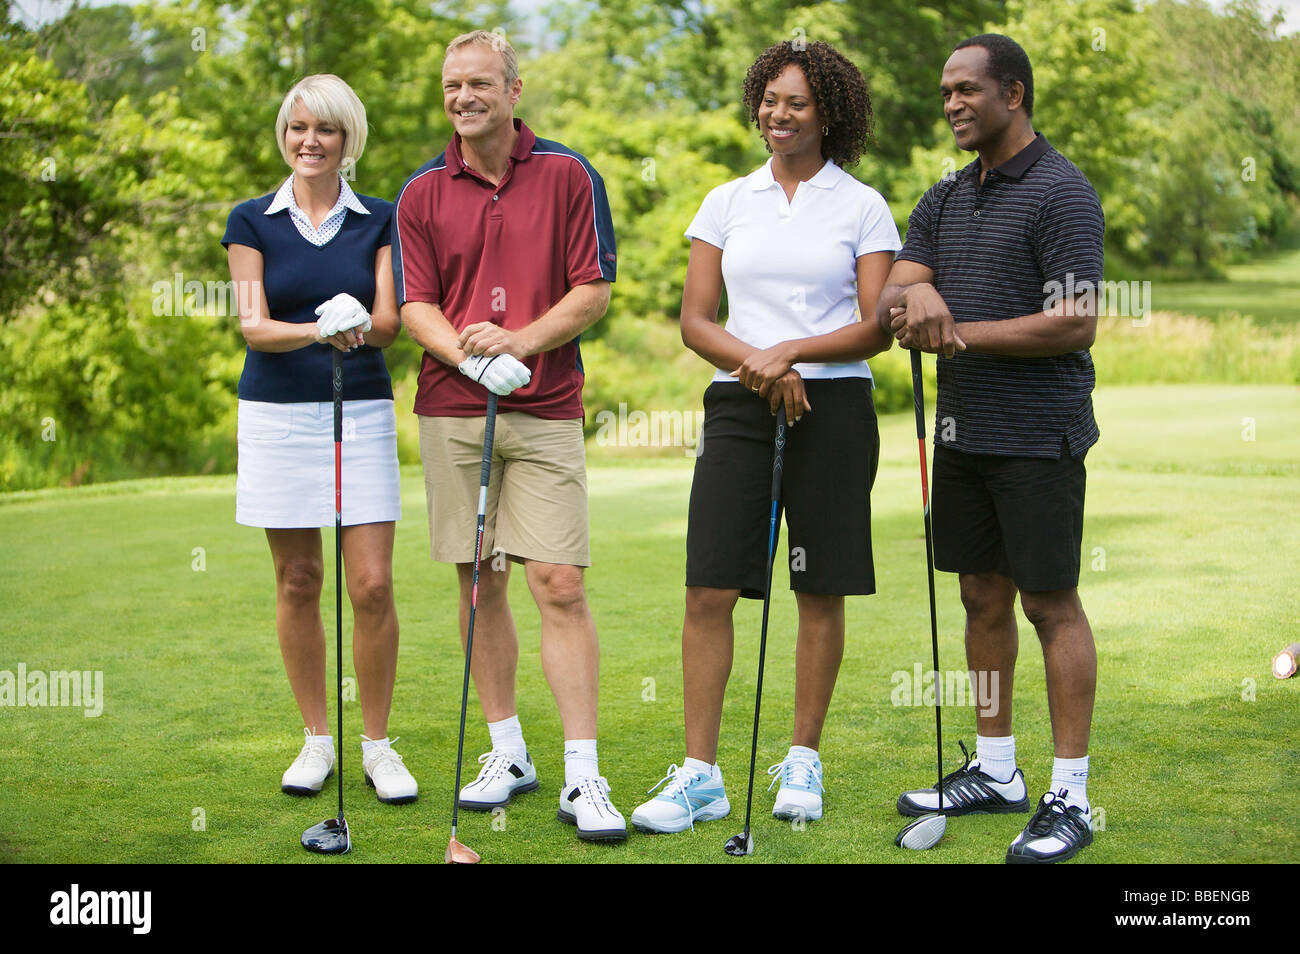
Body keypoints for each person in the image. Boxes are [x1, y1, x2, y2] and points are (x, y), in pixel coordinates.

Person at [630, 40, 900, 834]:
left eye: (797, 103)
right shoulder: (726, 201)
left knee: (820, 587)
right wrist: (761, 364)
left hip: (836, 410)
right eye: (770, 100)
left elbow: (876, 327)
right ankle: (701, 776)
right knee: (709, 586)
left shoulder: (862, 204)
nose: (778, 115)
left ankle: (804, 760)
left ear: (830, 115)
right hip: (740, 407)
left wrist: (792, 354)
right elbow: (694, 322)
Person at [877, 34, 1103, 864]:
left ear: (1014, 93)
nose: (952, 105)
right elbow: (895, 293)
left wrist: (954, 329)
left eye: (968, 91)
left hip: (1039, 434)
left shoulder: (1062, 192)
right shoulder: (945, 195)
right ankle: (998, 769)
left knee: (1050, 603)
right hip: (963, 433)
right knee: (980, 596)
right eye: (945, 92)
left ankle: (1070, 794)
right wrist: (921, 286)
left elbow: (1075, 319)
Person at [392, 30, 624, 841]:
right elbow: (415, 303)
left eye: (480, 83)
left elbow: (593, 289)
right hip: (454, 413)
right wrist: (467, 354)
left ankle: (584, 777)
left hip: (547, 404)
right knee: (479, 579)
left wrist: (518, 343)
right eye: (453, 85)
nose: (464, 97)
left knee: (558, 580)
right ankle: (507, 753)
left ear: (514, 89)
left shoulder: (567, 174)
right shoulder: (420, 192)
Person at [223, 74, 418, 807]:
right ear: (286, 135)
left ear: (348, 140)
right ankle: (316, 740)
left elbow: (390, 319)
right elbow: (253, 325)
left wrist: (359, 324)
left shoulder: (382, 218)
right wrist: (321, 328)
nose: (310, 141)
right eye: (299, 127)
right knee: (299, 581)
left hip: (359, 411)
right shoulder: (251, 220)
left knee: (370, 584)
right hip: (277, 417)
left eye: (326, 130)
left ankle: (377, 745)